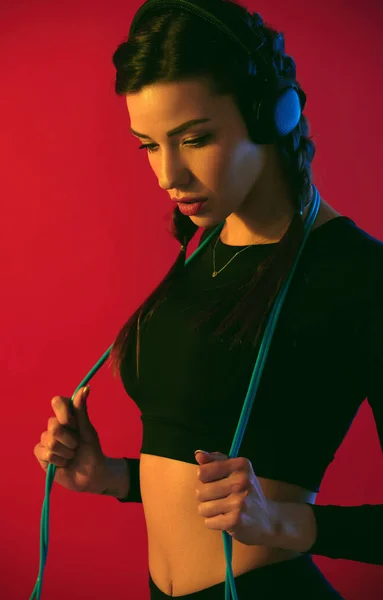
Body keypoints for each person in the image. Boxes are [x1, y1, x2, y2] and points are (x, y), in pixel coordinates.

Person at [33, 1, 383, 598]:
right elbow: (202, 477)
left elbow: (258, 509)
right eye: (148, 145)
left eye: (195, 138)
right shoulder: (203, 248)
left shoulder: (359, 274)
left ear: (275, 113)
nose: (169, 175)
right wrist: (110, 476)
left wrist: (283, 523)